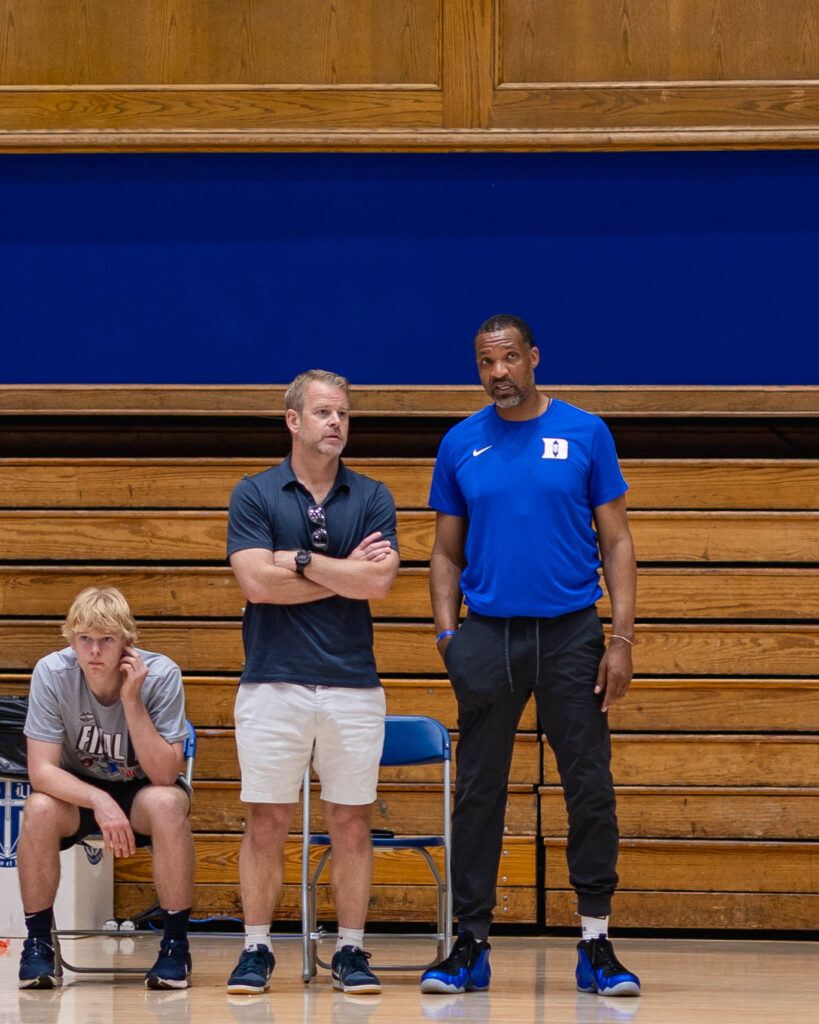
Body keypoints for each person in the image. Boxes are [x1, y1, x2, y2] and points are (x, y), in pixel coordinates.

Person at [420, 315, 640, 998]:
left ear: (533, 357)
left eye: (509, 358)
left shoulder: (585, 432)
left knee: (589, 786)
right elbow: (444, 552)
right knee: (477, 792)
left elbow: (617, 541)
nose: (498, 372)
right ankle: (469, 944)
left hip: (572, 634)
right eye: (486, 362)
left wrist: (621, 639)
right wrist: (448, 637)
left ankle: (596, 942)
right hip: (488, 637)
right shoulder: (460, 442)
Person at [225, 369, 399, 996]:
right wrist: (342, 572)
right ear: (293, 420)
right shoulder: (254, 492)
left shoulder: (372, 495)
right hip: (272, 682)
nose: (337, 423)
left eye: (344, 414)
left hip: (353, 684)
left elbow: (379, 582)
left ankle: (350, 950)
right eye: (324, 412)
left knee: (351, 822)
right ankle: (256, 949)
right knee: (266, 820)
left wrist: (298, 560)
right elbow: (255, 584)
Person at [18, 586, 195, 990]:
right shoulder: (51, 673)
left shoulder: (161, 674)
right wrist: (98, 800)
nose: (94, 651)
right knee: (38, 808)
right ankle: (38, 945)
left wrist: (132, 700)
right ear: (71, 640)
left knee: (169, 803)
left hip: (143, 790)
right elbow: (41, 772)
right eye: (85, 639)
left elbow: (165, 775)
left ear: (127, 643)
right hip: (77, 792)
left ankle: (175, 947)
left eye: (107, 640)